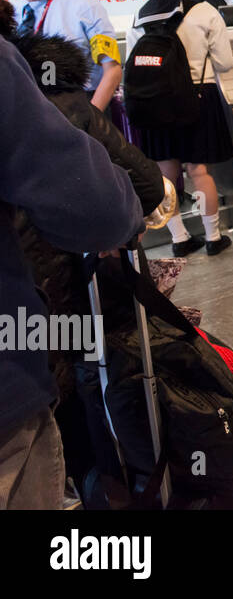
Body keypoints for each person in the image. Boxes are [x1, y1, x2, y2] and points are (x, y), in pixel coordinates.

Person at [0, 32, 144, 509]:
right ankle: (98, 483)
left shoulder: (85, 11)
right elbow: (107, 206)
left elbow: (114, 67)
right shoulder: (55, 102)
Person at [127, 0, 233, 257]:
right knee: (199, 171)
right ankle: (214, 237)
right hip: (198, 98)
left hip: (155, 101)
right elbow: (225, 63)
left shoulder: (140, 15)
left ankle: (180, 239)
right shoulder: (204, 12)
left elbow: (132, 62)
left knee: (166, 174)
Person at [1, 0, 121, 112]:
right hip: (37, 109)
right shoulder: (14, 12)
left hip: (84, 104)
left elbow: (112, 70)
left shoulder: (86, 8)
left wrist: (92, 118)